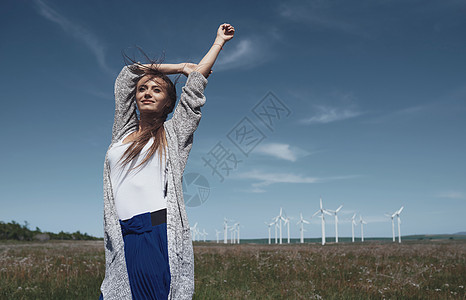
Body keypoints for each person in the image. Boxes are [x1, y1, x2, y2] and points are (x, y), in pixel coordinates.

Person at [98, 23, 235, 300]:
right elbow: (128, 74)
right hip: (119, 234)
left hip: (156, 233)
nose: (147, 92)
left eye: (157, 90)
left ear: (168, 103)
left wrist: (218, 42)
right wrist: (179, 66)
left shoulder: (172, 134)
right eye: (143, 89)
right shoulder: (121, 133)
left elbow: (196, 86)